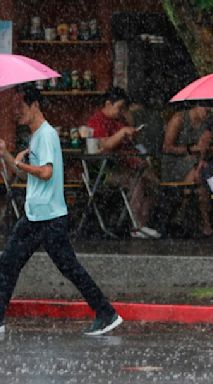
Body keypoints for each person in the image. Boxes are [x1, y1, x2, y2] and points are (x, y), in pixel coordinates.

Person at [0, 85, 122, 336]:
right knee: (11, 265)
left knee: (54, 267)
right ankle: (105, 312)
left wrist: (24, 164)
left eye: (21, 108)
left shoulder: (45, 135)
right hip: (38, 215)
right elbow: (22, 171)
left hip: (47, 218)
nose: (17, 114)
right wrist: (6, 155)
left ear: (35, 106)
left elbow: (46, 172)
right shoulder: (36, 136)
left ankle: (106, 312)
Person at [87, 87, 161, 239]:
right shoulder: (97, 121)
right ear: (108, 104)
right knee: (137, 182)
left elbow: (127, 142)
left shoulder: (120, 120)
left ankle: (143, 221)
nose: (121, 112)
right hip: (107, 169)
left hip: (129, 162)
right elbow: (104, 145)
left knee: (152, 182)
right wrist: (121, 134)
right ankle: (136, 226)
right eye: (119, 108)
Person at [162, 106, 213, 237]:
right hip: (175, 161)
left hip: (196, 163)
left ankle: (184, 207)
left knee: (199, 174)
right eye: (205, 110)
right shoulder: (179, 119)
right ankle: (203, 220)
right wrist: (190, 149)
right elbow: (167, 147)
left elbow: (205, 147)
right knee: (197, 175)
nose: (206, 114)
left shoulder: (207, 123)